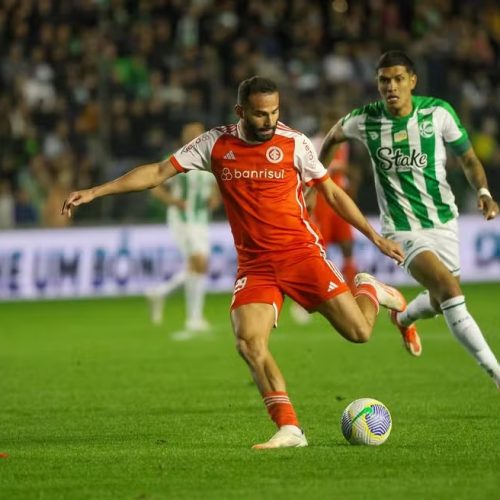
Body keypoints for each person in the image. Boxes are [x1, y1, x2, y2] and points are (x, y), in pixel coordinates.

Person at [62, 76, 407, 449]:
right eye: (260, 114)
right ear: (240, 111)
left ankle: (370, 289)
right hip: (256, 266)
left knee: (359, 333)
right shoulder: (215, 143)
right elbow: (158, 172)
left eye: (275, 112)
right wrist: (95, 192)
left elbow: (332, 194)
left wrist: (374, 236)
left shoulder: (294, 143)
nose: (269, 121)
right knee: (248, 342)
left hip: (301, 255)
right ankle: (290, 428)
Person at [319, 50, 500, 387]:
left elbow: (469, 158)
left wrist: (484, 192)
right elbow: (331, 138)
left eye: (399, 79)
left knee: (439, 297)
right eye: (384, 80)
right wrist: (316, 179)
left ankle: (403, 317)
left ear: (412, 81)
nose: (391, 86)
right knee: (449, 289)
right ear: (377, 84)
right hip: (401, 229)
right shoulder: (365, 119)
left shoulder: (438, 113)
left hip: (443, 220)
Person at [145, 122, 220, 338]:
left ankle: (162, 294)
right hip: (182, 219)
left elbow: (217, 187)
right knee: (199, 263)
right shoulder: (176, 159)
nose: (196, 137)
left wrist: (215, 199)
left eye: (199, 134)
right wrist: (174, 201)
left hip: (201, 219)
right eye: (192, 134)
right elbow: (155, 186)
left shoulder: (210, 161)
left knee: (199, 267)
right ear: (184, 137)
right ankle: (193, 317)